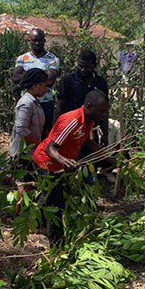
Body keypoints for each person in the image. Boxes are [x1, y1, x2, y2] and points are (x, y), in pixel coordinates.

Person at [33, 89, 114, 247]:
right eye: (102, 111)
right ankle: (56, 246)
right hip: (47, 163)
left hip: (61, 164)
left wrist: (111, 160)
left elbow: (90, 144)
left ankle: (37, 223)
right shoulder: (72, 121)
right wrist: (65, 160)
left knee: (51, 197)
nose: (104, 115)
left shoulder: (89, 121)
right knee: (55, 205)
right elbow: (51, 148)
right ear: (89, 107)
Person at [12, 28, 60, 137]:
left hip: (45, 102)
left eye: (40, 40)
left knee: (44, 134)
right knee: (24, 132)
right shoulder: (22, 58)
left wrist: (27, 75)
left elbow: (50, 81)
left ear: (44, 41)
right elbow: (15, 78)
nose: (37, 43)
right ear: (30, 41)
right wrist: (41, 75)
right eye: (34, 40)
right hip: (27, 102)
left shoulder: (52, 59)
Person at [55, 50, 109, 137]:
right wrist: (58, 129)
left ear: (94, 66)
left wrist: (105, 135)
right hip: (70, 127)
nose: (83, 69)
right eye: (80, 66)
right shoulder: (68, 81)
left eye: (87, 67)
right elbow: (60, 106)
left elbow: (104, 110)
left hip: (91, 130)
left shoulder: (101, 83)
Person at [9, 68, 47, 160]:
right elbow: (21, 128)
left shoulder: (35, 102)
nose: (46, 89)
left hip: (31, 153)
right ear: (36, 86)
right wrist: (37, 145)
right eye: (45, 86)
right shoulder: (26, 103)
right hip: (22, 153)